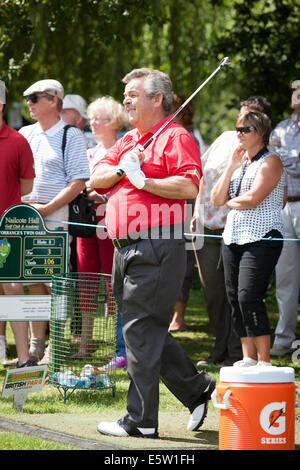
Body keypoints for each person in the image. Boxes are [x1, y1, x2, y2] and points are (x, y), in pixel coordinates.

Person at [90, 67, 216, 438]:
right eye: (125, 94)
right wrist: (122, 171)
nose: (125, 100)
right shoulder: (130, 140)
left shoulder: (176, 136)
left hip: (157, 243)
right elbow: (95, 179)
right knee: (145, 331)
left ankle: (141, 421)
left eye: (133, 93)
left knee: (139, 332)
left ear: (156, 99)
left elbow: (189, 186)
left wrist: (145, 179)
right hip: (123, 249)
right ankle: (197, 388)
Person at [191, 96, 272, 367]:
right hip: (207, 223)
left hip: (239, 229)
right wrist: (194, 212)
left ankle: (239, 353)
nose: (243, 125)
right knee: (212, 293)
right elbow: (202, 174)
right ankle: (219, 350)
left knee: (238, 294)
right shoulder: (224, 138)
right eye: (242, 117)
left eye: (252, 118)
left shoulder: (266, 152)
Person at [19, 79, 90, 364]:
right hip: (25, 218)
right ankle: (37, 345)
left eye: (34, 98)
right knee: (32, 280)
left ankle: (56, 345)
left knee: (55, 283)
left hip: (56, 218)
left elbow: (78, 181)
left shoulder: (69, 135)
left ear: (53, 100)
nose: (29, 103)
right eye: (27, 98)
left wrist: (47, 208)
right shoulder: (24, 133)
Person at [211, 111, 285, 366]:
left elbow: (254, 198)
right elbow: (215, 198)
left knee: (249, 296)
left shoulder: (271, 161)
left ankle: (264, 360)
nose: (239, 134)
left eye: (245, 129)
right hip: (233, 237)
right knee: (233, 298)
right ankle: (248, 357)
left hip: (263, 236)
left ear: (261, 133)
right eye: (237, 129)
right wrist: (231, 166)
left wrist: (229, 202)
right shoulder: (241, 164)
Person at [74, 96, 128, 368]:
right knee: (85, 281)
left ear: (113, 122)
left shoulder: (122, 149)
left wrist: (100, 192)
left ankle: (116, 345)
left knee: (112, 283)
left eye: (98, 118)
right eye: (91, 118)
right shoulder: (88, 152)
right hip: (86, 223)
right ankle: (85, 340)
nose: (92, 123)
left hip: (111, 225)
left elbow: (124, 186)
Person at [0, 80, 36, 367]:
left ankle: (24, 360)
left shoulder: (17, 141)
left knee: (13, 289)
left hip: (6, 229)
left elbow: (26, 186)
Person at [269, 81, 300, 357]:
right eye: (294, 90)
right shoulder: (281, 128)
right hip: (285, 208)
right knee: (285, 276)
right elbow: (276, 162)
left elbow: (286, 160)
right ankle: (284, 338)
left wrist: (289, 158)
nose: (297, 94)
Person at [168, 94, 199, 333]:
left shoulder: (188, 137)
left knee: (185, 262)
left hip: (185, 206)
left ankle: (179, 315)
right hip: (164, 206)